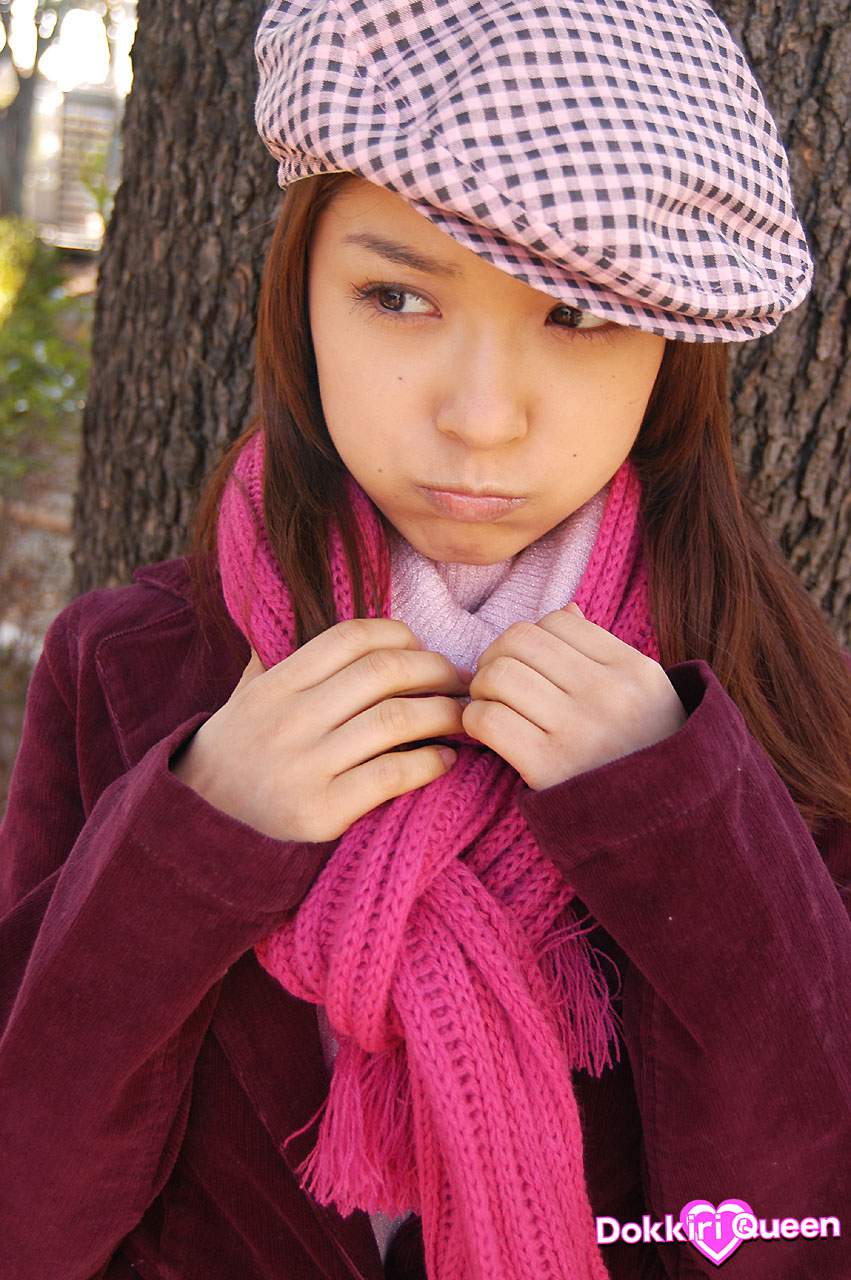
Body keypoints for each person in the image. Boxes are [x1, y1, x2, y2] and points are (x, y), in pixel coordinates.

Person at [1, 1, 849, 1277]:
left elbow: (798, 1237)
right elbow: (26, 1218)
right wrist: (194, 839)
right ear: (300, 298)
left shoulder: (772, 705)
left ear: (670, 347)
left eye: (575, 316)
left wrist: (685, 830)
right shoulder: (128, 670)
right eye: (396, 295)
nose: (480, 417)